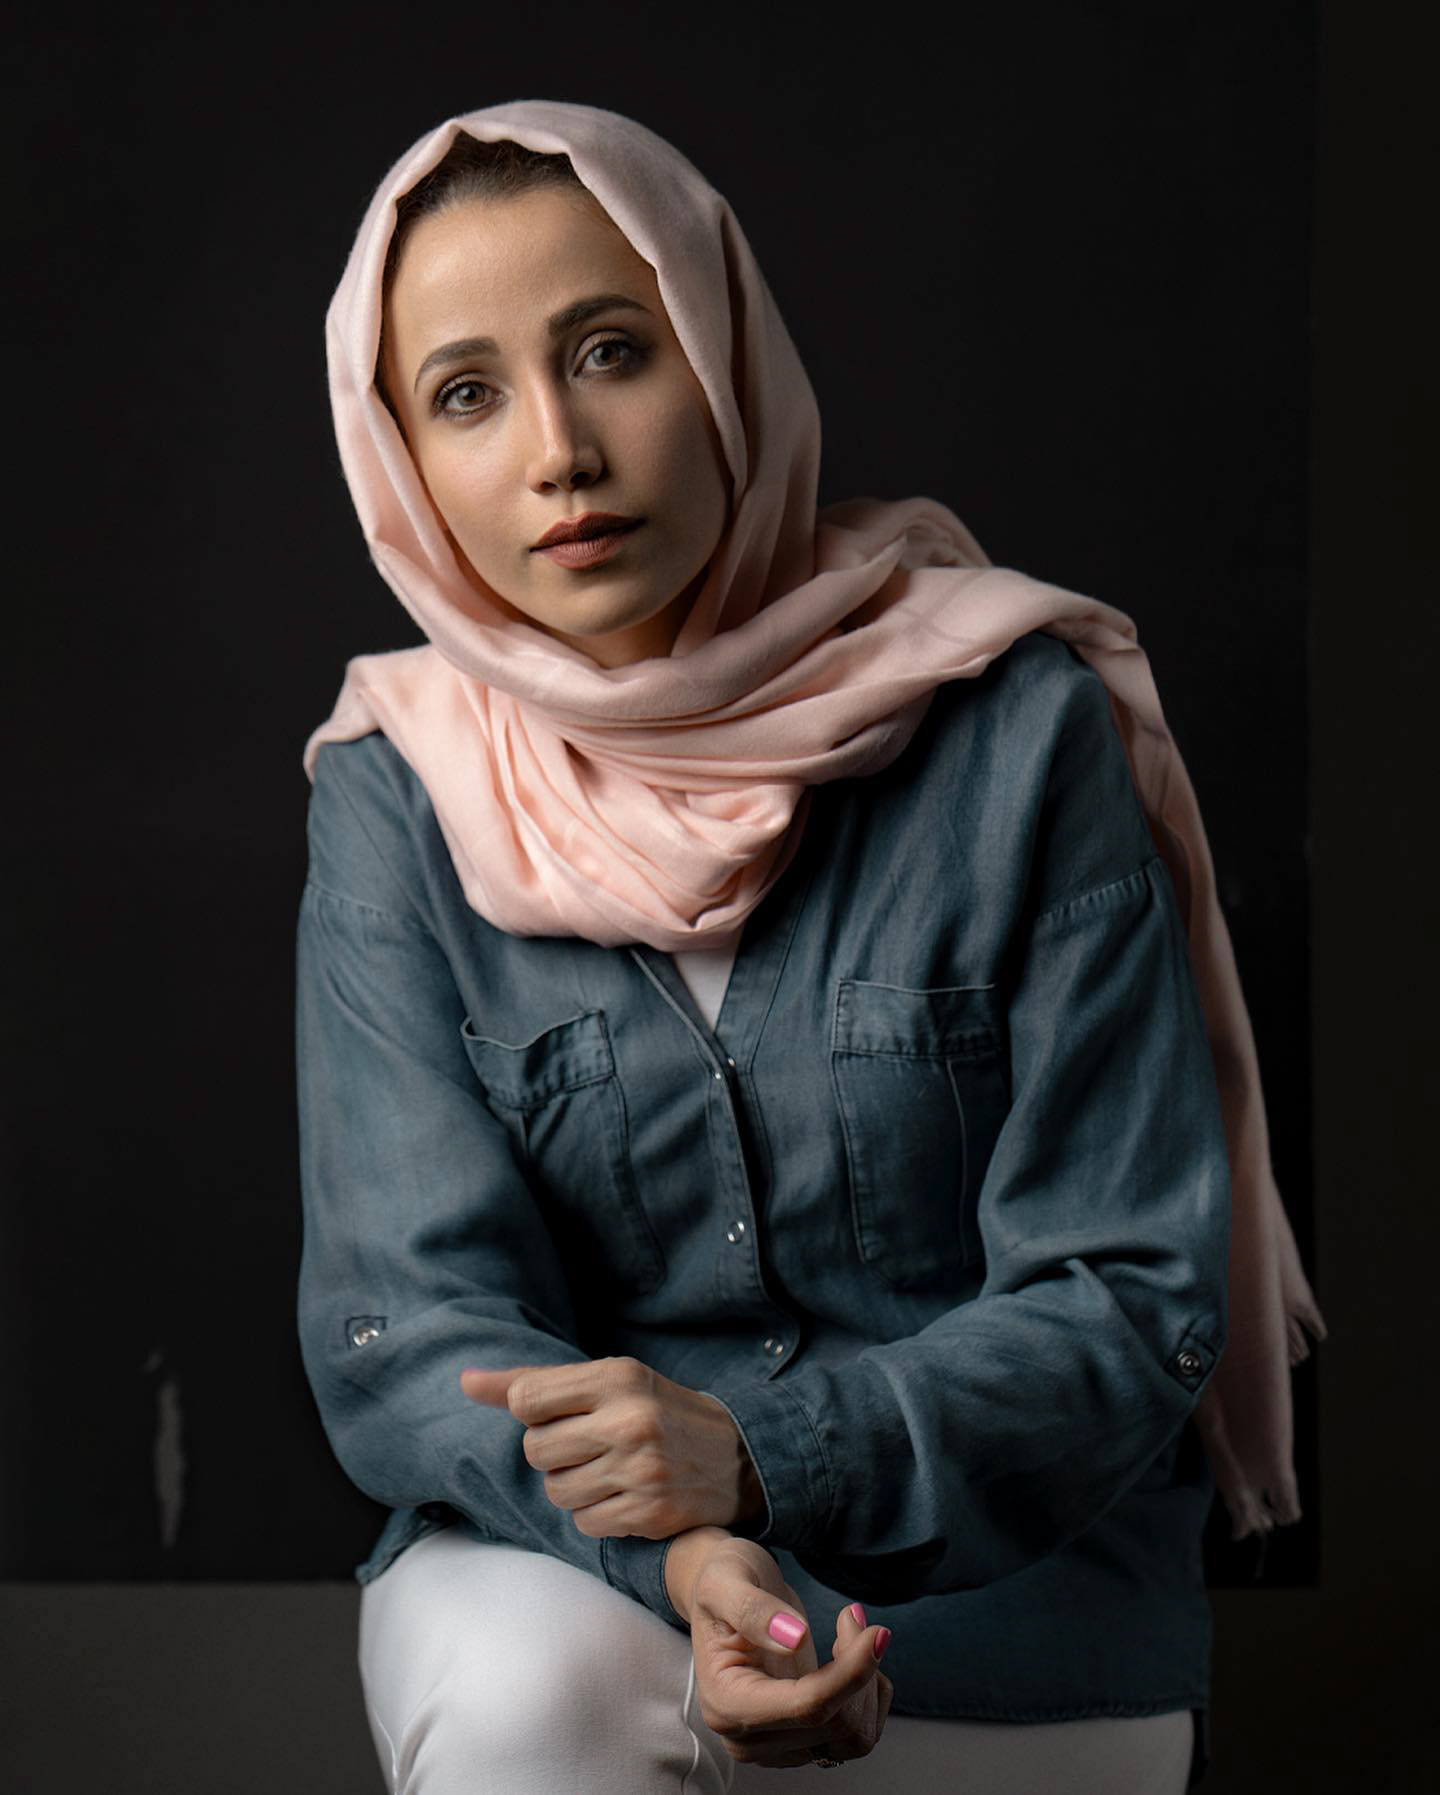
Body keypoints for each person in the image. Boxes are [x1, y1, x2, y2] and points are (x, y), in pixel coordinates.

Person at [294, 101, 1326, 1793]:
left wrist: (769, 1461)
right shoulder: (396, 788)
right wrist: (689, 1551)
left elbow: (1125, 1288)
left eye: (611, 351)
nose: (559, 452)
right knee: (526, 1701)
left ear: (725, 360)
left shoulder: (1015, 729)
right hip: (585, 1577)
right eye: (467, 394)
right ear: (401, 457)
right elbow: (408, 1324)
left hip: (1006, 1600)